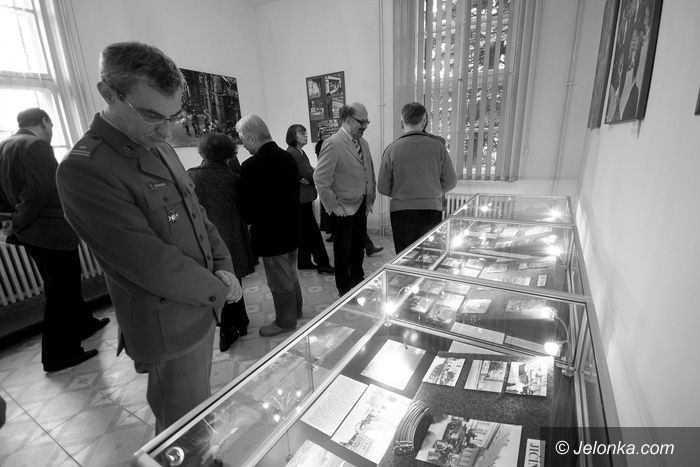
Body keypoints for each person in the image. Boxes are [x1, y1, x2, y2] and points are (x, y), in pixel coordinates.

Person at [56, 42, 242, 433]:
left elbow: (198, 214)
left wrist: (224, 266)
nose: (167, 129)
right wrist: (219, 287)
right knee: (181, 425)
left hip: (201, 301)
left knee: (198, 409)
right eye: (152, 115)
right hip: (168, 321)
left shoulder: (159, 146)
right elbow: (148, 261)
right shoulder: (85, 168)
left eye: (174, 116)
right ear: (108, 93)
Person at [0, 108, 106, 373]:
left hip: (30, 233)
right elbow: (41, 190)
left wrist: (10, 221)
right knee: (61, 291)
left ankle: (84, 324)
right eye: (51, 125)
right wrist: (19, 220)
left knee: (65, 284)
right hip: (50, 231)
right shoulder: (36, 145)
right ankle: (58, 354)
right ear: (44, 121)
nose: (51, 132)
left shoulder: (5, 146)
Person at [237, 115, 303, 337]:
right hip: (292, 228)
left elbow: (247, 207)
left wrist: (248, 219)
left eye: (243, 141)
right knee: (291, 273)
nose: (244, 146)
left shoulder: (251, 166)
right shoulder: (288, 157)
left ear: (252, 138)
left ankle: (285, 321)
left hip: (270, 234)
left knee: (278, 281)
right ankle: (296, 310)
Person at [188, 133, 254, 351]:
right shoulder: (233, 179)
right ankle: (238, 323)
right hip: (233, 236)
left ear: (204, 152)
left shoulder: (192, 176)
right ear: (229, 154)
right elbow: (245, 210)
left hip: (208, 240)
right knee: (235, 279)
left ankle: (229, 329)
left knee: (220, 282)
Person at [314, 103, 376, 296]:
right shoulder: (333, 143)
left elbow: (369, 172)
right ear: (348, 120)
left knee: (358, 248)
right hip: (343, 209)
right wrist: (333, 206)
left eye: (367, 121)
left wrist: (370, 198)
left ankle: (358, 281)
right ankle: (344, 290)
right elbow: (320, 178)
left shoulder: (363, 143)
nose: (365, 126)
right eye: (362, 121)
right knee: (343, 252)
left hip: (361, 205)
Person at [378, 102, 457, 253]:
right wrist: (433, 190)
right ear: (424, 120)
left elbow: (382, 187)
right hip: (431, 209)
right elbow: (451, 182)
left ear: (401, 122)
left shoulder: (392, 149)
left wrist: (400, 193)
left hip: (401, 211)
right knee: (430, 253)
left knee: (404, 255)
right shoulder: (438, 147)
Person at [285, 124, 334, 274]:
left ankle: (304, 261)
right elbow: (307, 172)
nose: (306, 135)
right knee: (313, 232)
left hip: (303, 198)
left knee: (305, 231)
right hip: (301, 199)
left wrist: (314, 174)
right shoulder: (293, 152)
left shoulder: (299, 151)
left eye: (305, 133)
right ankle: (323, 263)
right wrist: (319, 176)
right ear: (293, 136)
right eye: (302, 133)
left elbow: (309, 169)